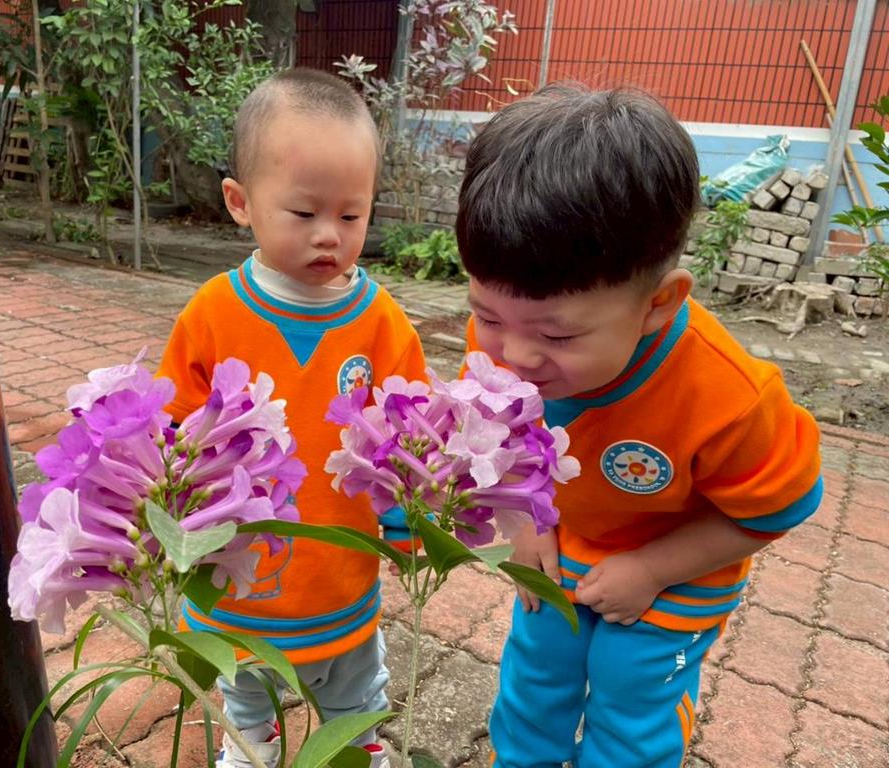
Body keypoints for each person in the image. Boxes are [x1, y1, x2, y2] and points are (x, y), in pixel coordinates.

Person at [456, 83, 823, 768]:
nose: (514, 357)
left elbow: (779, 509)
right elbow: (498, 444)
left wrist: (652, 569)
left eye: (557, 336)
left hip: (678, 573)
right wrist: (522, 524)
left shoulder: (726, 397)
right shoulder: (504, 346)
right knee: (536, 674)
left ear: (659, 304)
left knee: (630, 693)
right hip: (562, 549)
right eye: (488, 315)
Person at [157, 68, 426, 768]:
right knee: (247, 726)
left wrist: (407, 522)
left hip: (342, 585)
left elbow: (410, 437)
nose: (329, 236)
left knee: (356, 717)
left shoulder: (381, 321)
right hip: (237, 592)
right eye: (304, 214)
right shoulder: (214, 313)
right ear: (240, 202)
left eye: (352, 215)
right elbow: (168, 431)